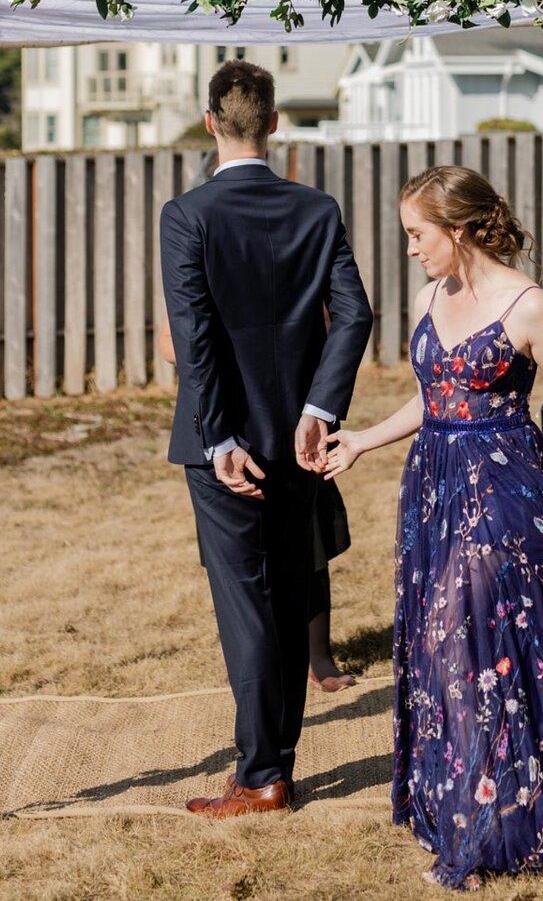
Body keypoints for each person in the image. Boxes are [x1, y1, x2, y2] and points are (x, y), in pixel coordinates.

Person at [325, 166, 543, 888]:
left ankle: (498, 830)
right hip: (432, 491)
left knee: (479, 644)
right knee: (442, 652)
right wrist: (362, 439)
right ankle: (475, 816)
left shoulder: (527, 305)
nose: (412, 249)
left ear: (457, 229)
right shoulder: (431, 296)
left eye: (419, 234)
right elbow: (435, 398)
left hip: (505, 490)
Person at [160, 60, 372, 817]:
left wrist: (217, 440)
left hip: (221, 445)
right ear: (275, 124)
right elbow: (355, 316)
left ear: (211, 122)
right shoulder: (317, 210)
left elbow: (194, 340)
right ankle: (275, 766)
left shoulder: (187, 216)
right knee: (286, 598)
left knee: (247, 604)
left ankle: (259, 777)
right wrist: (321, 405)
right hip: (300, 436)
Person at [159, 302, 356, 693]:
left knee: (309, 544)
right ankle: (258, 666)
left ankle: (317, 655)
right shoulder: (200, 270)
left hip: (292, 415)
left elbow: (331, 326)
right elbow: (171, 343)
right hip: (230, 422)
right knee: (242, 561)